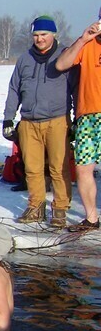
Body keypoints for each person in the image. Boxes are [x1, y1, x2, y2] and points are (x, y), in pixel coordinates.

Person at [3, 15, 75, 227]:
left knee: (58, 168)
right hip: (29, 122)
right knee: (32, 168)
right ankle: (36, 207)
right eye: (35, 35)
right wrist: (8, 118)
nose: (39, 39)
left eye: (43, 34)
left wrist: (77, 118)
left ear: (53, 34)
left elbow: (76, 89)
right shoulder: (25, 59)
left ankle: (60, 209)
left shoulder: (65, 57)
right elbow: (14, 89)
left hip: (57, 120)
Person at [55, 16, 101, 229]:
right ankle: (91, 218)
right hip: (87, 116)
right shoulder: (87, 44)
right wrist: (83, 39)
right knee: (83, 169)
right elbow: (61, 64)